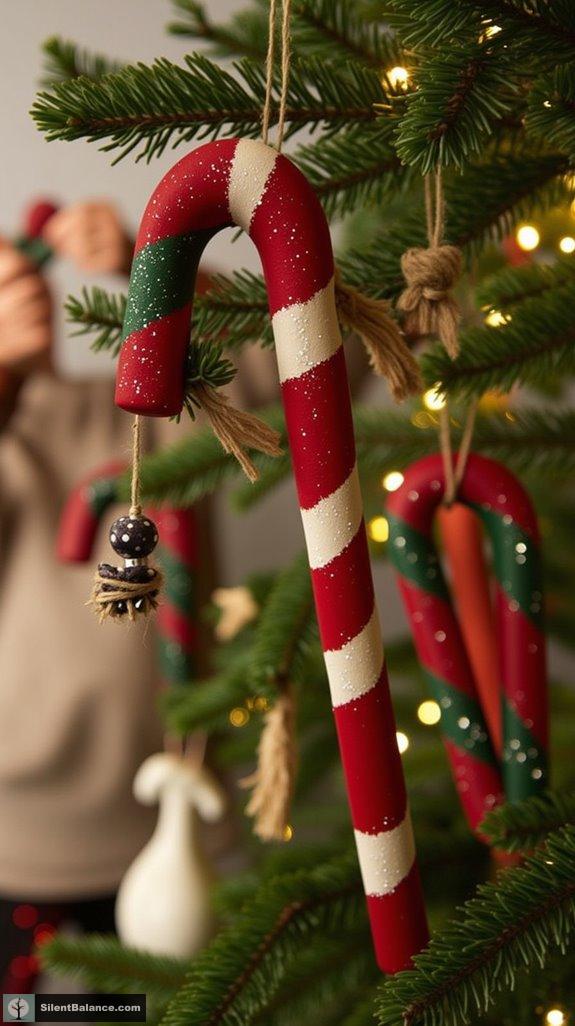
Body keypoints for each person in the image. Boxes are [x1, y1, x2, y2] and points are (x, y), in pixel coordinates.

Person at [0, 201, 190, 991]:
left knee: (135, 1015)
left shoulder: (153, 415)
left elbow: (314, 357)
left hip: (158, 834)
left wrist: (163, 279)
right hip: (12, 841)